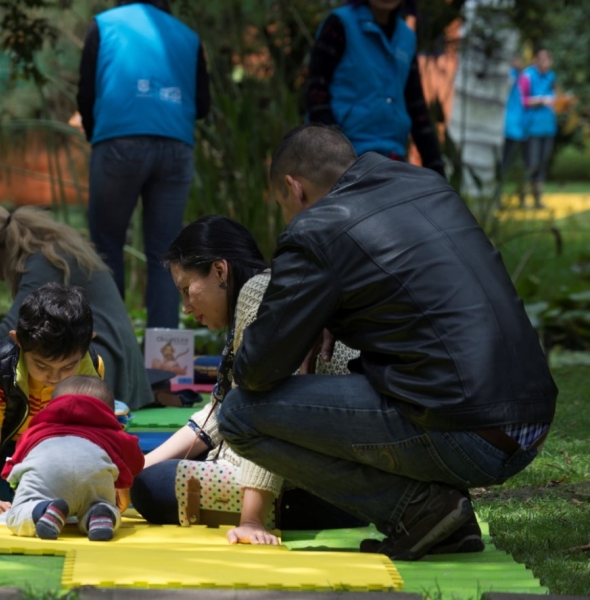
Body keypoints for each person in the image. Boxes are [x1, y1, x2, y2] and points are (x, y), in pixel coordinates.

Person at [217, 124, 557, 561]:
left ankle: (419, 510)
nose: (290, 220)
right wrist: (331, 312)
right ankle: (446, 526)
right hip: (530, 419)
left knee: (241, 414)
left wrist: (313, 314)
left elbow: (256, 370)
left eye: (286, 209)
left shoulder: (315, 229)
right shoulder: (425, 184)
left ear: (293, 188)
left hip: (470, 428)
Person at [130, 216, 363, 546]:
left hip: (329, 490)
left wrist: (251, 520)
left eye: (186, 290)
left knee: (152, 488)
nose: (184, 307)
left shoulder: (260, 299)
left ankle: (269, 508)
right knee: (148, 474)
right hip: (327, 475)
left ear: (220, 271)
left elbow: (271, 409)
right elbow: (220, 412)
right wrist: (134, 467)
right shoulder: (261, 295)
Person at [0, 202, 150, 411]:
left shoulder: (42, 260)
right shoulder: (48, 250)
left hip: (97, 370)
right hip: (104, 362)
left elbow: (12, 331)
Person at [77, 0, 211, 329]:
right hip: (176, 146)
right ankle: (161, 361)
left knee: (106, 248)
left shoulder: (104, 24)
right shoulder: (188, 37)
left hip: (119, 142)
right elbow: (203, 105)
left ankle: (110, 348)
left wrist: (100, 136)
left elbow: (85, 95)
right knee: (165, 254)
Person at [0, 283, 106, 515]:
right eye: (41, 365)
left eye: (68, 366)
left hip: (52, 450)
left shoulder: (92, 367)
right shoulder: (0, 368)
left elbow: (96, 433)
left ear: (87, 344)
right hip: (2, 449)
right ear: (18, 341)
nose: (54, 377)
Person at [305, 0, 445, 177]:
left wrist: (437, 170)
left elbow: (417, 109)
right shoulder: (340, 24)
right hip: (341, 161)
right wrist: (335, 148)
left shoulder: (406, 38)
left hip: (390, 162)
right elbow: (316, 92)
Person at [2, 376, 144, 541]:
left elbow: (17, 458)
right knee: (102, 504)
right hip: (93, 479)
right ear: (109, 412)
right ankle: (99, 514)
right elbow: (137, 463)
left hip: (47, 476)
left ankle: (43, 510)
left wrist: (11, 476)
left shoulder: (36, 430)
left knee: (18, 514)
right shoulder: (112, 435)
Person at [519, 48, 558, 209]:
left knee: (542, 164)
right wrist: (542, 100)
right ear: (535, 60)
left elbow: (555, 98)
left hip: (548, 127)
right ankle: (522, 198)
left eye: (547, 60)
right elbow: (522, 100)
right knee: (531, 163)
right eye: (541, 59)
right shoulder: (527, 76)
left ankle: (537, 199)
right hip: (531, 128)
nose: (545, 63)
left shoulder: (551, 76)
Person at [499, 57, 528, 206]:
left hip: (518, 128)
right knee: (505, 165)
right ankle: (498, 199)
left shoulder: (518, 77)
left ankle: (520, 199)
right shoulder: (509, 76)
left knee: (517, 165)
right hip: (509, 128)